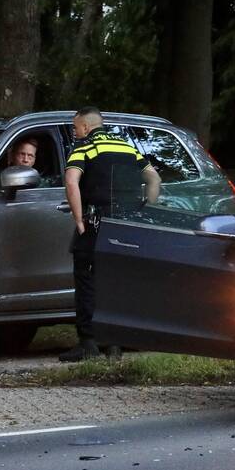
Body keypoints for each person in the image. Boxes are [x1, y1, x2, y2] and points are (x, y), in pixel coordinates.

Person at [58, 107, 161, 362]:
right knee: (115, 282)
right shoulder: (126, 147)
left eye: (75, 127)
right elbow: (154, 179)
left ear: (85, 127)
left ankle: (88, 343)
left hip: (96, 224)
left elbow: (71, 181)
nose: (74, 132)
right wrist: (145, 210)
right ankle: (114, 344)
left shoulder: (84, 147)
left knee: (87, 280)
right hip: (125, 226)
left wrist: (78, 219)